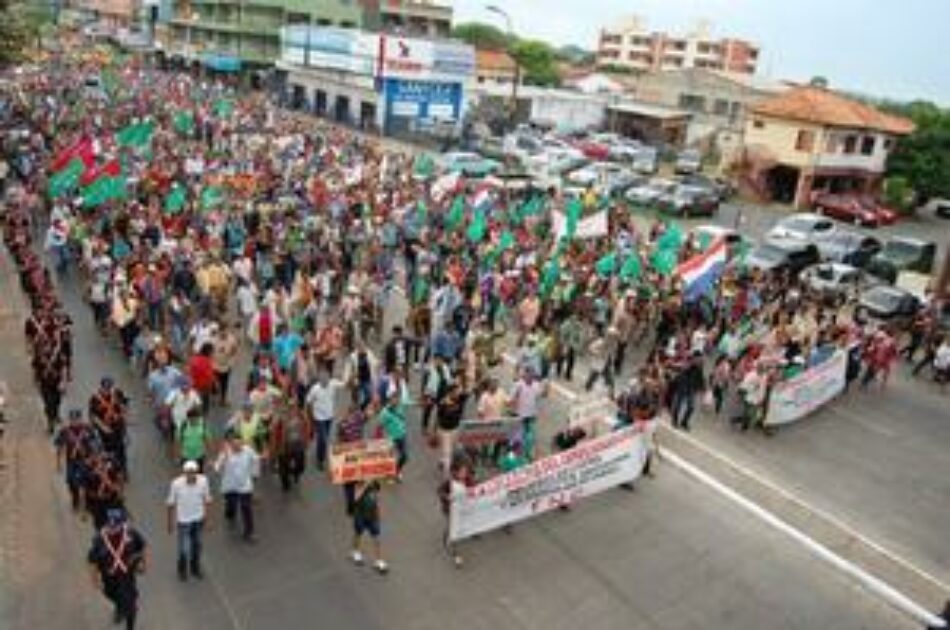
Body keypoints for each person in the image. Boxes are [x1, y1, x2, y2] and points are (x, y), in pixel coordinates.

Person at [87, 508, 147, 630]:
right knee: (109, 594)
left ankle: (130, 625)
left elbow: (143, 546)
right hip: (108, 576)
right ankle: (120, 605)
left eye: (116, 525)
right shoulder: (99, 539)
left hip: (126, 576)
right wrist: (95, 579)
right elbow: (92, 560)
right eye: (110, 525)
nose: (113, 528)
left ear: (122, 523)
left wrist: (143, 563)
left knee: (130, 605)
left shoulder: (131, 534)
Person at [166, 460, 212, 581]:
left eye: (193, 473)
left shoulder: (203, 481)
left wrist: (207, 520)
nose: (191, 476)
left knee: (197, 545)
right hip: (183, 521)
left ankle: (195, 568)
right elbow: (170, 504)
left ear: (197, 472)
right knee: (183, 548)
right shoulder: (176, 484)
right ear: (184, 473)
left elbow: (207, 500)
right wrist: (170, 522)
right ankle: (182, 569)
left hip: (198, 519)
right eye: (188, 473)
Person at [214, 431, 259, 542]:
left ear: (242, 442)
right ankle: (230, 512)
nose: (236, 445)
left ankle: (249, 532)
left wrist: (254, 475)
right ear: (229, 443)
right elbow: (217, 468)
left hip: (245, 486)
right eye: (233, 442)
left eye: (238, 442)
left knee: (246, 507)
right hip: (230, 486)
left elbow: (256, 460)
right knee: (231, 506)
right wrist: (223, 458)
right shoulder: (225, 453)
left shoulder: (248, 451)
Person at [55, 408, 100, 511]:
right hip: (71, 461)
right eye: (73, 419)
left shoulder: (88, 430)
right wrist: (58, 463)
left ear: (81, 419)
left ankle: (88, 503)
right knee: (70, 482)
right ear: (70, 420)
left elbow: (96, 446)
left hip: (86, 461)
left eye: (77, 419)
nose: (75, 422)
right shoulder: (65, 431)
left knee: (86, 482)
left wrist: (95, 460)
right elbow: (59, 446)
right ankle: (75, 499)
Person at [305, 370, 344, 471]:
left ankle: (320, 454)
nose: (325, 382)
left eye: (326, 380)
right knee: (323, 439)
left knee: (322, 438)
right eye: (323, 380)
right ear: (320, 380)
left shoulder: (333, 383)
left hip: (329, 417)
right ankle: (320, 460)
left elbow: (345, 384)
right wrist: (310, 417)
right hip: (319, 418)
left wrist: (353, 374)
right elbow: (308, 402)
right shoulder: (315, 389)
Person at [271, 398, 310, 491]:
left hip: (298, 445)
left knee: (301, 466)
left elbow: (307, 427)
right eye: (290, 406)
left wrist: (306, 441)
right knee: (283, 467)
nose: (292, 408)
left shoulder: (301, 416)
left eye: (294, 406)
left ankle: (295, 473)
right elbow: (273, 429)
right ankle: (285, 483)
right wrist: (274, 449)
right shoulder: (281, 417)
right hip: (284, 446)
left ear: (297, 407)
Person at [350, 479, 388, 574]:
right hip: (360, 514)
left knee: (376, 538)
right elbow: (356, 497)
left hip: (372, 515)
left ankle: (378, 560)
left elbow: (376, 497)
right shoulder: (358, 482)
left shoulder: (375, 483)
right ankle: (356, 551)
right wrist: (365, 484)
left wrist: (378, 513)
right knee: (358, 534)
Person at [509, 368, 547, 460]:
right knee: (516, 436)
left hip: (530, 415)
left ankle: (526, 454)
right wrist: (512, 404)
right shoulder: (518, 385)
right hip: (519, 414)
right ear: (525, 375)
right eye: (528, 375)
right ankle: (512, 455)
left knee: (529, 437)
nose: (530, 377)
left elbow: (543, 395)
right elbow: (511, 399)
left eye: (532, 375)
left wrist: (547, 387)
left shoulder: (536, 385)